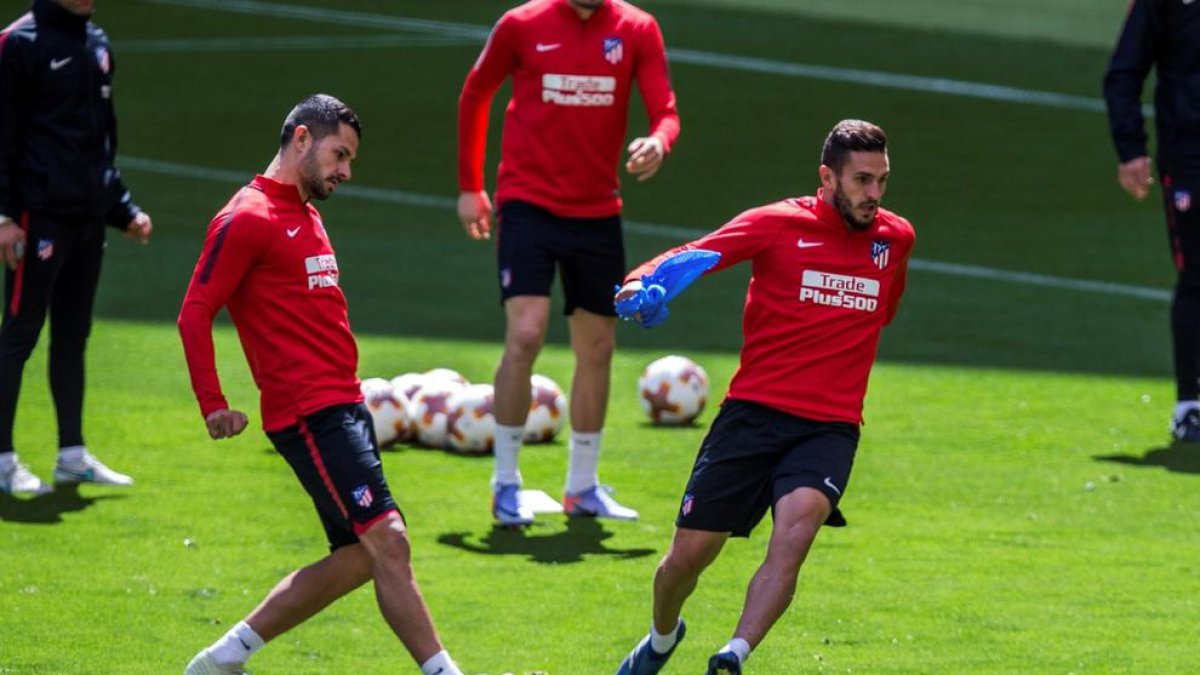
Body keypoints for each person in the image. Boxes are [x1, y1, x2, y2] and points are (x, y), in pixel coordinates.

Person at [613, 120, 914, 675]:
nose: (874, 195)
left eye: (882, 181)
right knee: (686, 560)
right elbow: (694, 255)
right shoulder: (776, 223)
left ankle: (734, 653)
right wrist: (639, 285)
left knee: (796, 530)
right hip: (751, 416)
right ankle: (661, 637)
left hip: (829, 427)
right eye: (862, 180)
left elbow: (884, 312)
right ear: (827, 177)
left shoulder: (895, 241)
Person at [178, 94, 464, 675]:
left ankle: (221, 660)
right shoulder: (247, 218)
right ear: (302, 139)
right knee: (390, 540)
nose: (346, 171)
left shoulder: (307, 214)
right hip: (310, 413)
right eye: (340, 155)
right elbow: (195, 310)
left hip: (344, 406)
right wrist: (213, 403)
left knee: (362, 557)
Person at [457, 0, 681, 526]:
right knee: (527, 333)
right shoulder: (521, 24)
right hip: (527, 204)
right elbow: (476, 92)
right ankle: (506, 483)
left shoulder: (637, 28)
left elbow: (665, 110)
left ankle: (581, 487)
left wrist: (659, 141)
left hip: (598, 211)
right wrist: (471, 186)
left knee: (599, 344)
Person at [0, 0, 152, 495]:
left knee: (73, 336)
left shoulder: (96, 43)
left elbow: (101, 141)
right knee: (20, 334)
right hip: (36, 216)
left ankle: (71, 455)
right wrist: (3, 217)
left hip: (87, 220)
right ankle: (2, 459)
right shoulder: (18, 43)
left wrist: (122, 209)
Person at [1103, 0, 1200, 442]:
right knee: (1196, 277)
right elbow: (1124, 71)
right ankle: (1190, 406)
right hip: (1190, 158)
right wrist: (1131, 148)